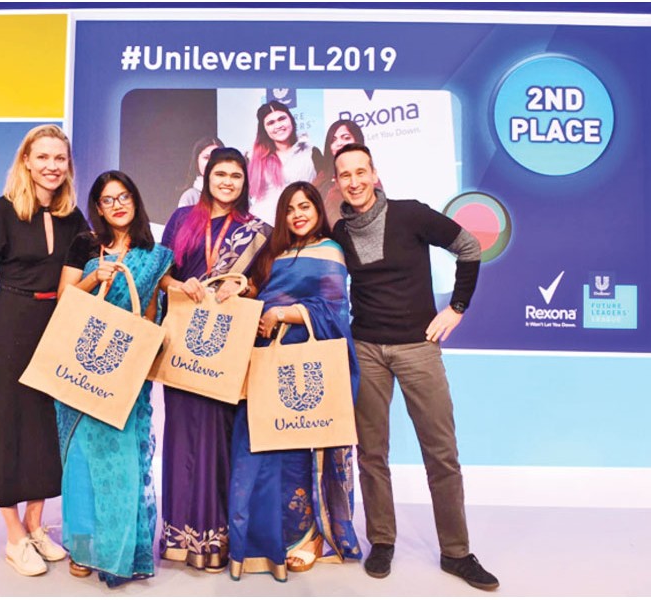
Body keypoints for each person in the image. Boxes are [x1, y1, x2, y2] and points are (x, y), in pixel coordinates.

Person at [329, 143, 499, 591]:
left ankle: (456, 553)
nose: (354, 181)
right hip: (366, 349)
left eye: (361, 171)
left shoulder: (410, 214)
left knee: (441, 453)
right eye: (345, 174)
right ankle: (381, 541)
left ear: (374, 173)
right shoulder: (339, 234)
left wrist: (456, 309)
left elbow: (468, 247)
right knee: (371, 454)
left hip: (418, 348)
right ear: (337, 182)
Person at [0, 124, 89, 577]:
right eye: (44, 158)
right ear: (27, 161)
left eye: (61, 159)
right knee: (5, 428)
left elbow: (89, 269)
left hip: (55, 326)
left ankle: (37, 525)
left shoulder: (75, 218)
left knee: (43, 430)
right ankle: (14, 535)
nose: (53, 166)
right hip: (9, 323)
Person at [228, 182, 362, 582]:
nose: (298, 214)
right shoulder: (274, 254)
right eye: (290, 209)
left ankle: (308, 537)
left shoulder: (329, 251)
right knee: (257, 449)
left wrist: (286, 315)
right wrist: (247, 291)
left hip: (307, 367)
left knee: (298, 454)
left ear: (319, 211)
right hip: (266, 360)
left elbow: (336, 310)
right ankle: (254, 542)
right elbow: (261, 295)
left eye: (306, 206)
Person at [55, 170, 173, 588]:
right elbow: (65, 301)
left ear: (136, 201)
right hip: (83, 365)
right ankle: (84, 548)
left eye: (124, 196)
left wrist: (187, 286)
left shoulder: (155, 254)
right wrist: (94, 277)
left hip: (128, 370)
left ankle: (122, 552)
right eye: (108, 200)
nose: (118, 204)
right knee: (84, 460)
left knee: (123, 461)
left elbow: (159, 300)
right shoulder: (86, 245)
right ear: (98, 208)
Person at [159, 147, 271, 572]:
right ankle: (178, 536)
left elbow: (262, 285)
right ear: (206, 177)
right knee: (181, 434)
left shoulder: (257, 230)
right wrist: (179, 283)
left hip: (226, 346)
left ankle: (216, 536)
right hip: (184, 341)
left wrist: (243, 286)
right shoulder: (182, 220)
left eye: (236, 176)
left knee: (218, 439)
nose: (227, 181)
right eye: (220, 174)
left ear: (245, 183)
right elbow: (161, 274)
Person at [247, 100, 317, 226]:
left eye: (281, 118)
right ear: (264, 129)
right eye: (271, 123)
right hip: (266, 227)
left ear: (291, 120)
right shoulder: (258, 160)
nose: (278, 125)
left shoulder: (311, 152)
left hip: (301, 223)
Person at [312, 119, 376, 228]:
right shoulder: (322, 176)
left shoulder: (368, 176)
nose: (339, 143)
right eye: (333, 140)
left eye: (346, 138)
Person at [178, 135, 224, 207]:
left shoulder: (234, 195)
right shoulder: (190, 197)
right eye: (206, 158)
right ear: (197, 160)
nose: (211, 162)